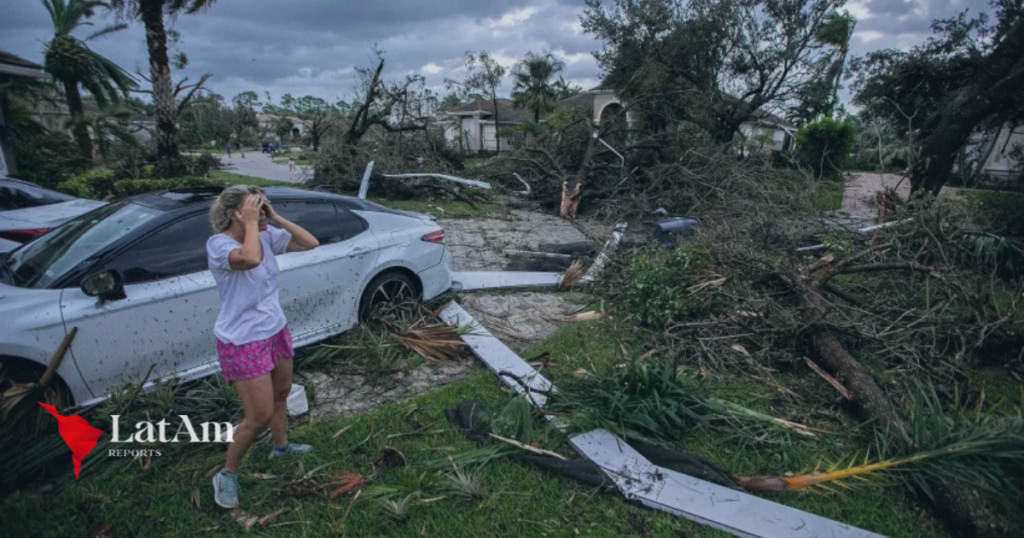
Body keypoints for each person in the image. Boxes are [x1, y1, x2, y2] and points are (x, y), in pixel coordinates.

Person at [206, 186, 320, 509]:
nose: (260, 211)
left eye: (261, 206)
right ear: (235, 216)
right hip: (243, 340)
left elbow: (311, 242)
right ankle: (227, 473)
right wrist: (254, 225)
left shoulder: (266, 235)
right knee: (258, 416)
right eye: (253, 207)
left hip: (274, 329)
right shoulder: (219, 245)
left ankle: (281, 447)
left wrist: (274, 217)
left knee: (282, 394)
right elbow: (251, 258)